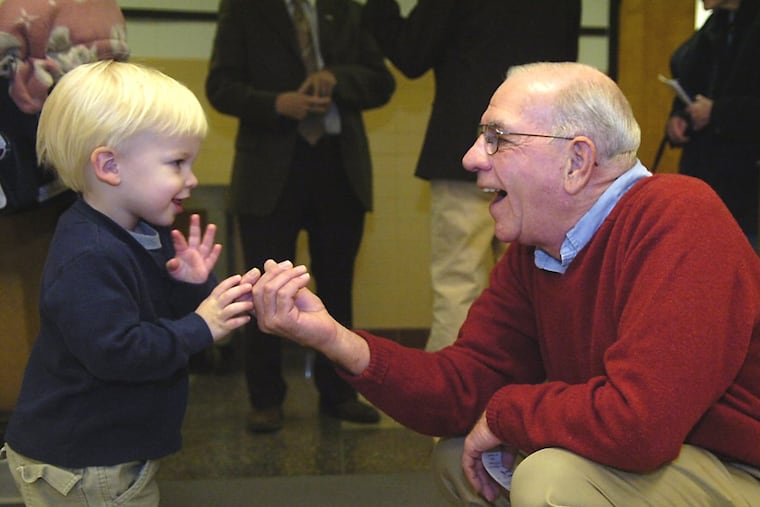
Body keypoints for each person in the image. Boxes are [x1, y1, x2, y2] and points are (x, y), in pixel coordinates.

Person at [246, 62, 760, 506]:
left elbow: (639, 422)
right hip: (662, 459)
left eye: (497, 138)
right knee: (456, 457)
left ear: (576, 161)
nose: (472, 157)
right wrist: (333, 338)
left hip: (739, 469)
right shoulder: (537, 250)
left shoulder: (679, 216)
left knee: (549, 481)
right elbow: (463, 387)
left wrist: (507, 413)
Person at [1, 61, 255, 506]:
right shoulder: (89, 254)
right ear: (109, 165)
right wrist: (201, 325)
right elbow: (120, 352)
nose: (191, 179)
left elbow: (153, 315)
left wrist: (190, 285)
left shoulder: (142, 231)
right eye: (177, 162)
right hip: (84, 466)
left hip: (104, 454)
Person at [205, 0, 396, 432]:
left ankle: (339, 392)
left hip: (338, 168)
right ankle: (266, 398)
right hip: (269, 171)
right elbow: (220, 86)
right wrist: (276, 103)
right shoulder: (244, 9)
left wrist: (338, 79)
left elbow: (382, 83)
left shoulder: (346, 9)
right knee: (262, 289)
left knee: (337, 288)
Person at [361, 0, 581, 351]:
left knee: (459, 282)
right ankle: (533, 398)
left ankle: (452, 399)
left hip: (469, 148)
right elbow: (566, 66)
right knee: (536, 286)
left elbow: (410, 53)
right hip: (541, 148)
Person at [665, 0, 760, 247]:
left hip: (746, 184)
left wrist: (717, 112)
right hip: (703, 176)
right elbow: (692, 82)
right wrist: (679, 118)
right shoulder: (714, 26)